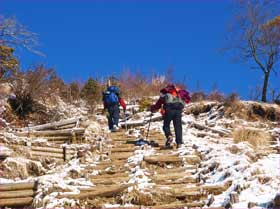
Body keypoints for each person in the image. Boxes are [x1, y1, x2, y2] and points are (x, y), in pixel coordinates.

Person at [150, 83, 190, 149]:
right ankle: (179, 143)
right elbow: (186, 100)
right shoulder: (179, 93)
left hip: (169, 110)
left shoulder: (165, 94)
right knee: (178, 126)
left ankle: (169, 136)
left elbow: (158, 104)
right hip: (178, 110)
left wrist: (152, 108)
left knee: (166, 125)